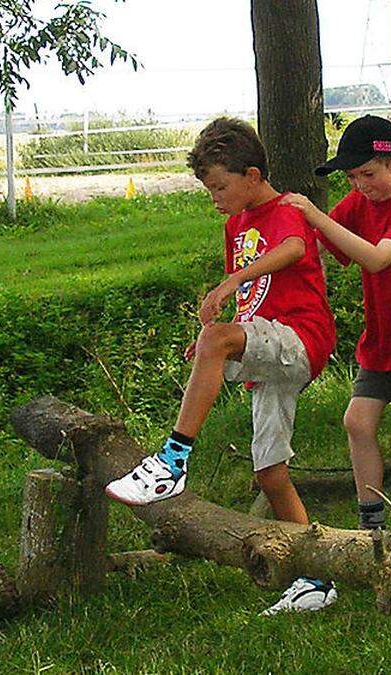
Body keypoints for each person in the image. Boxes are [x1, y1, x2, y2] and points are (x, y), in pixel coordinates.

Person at [104, 117, 338, 613]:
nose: (214, 196)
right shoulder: (235, 225)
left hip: (301, 338)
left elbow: (295, 249)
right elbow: (253, 301)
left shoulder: (283, 208)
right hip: (267, 346)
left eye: (220, 186)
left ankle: (172, 460)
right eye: (208, 188)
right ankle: (316, 580)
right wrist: (219, 341)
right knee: (270, 470)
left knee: (218, 339)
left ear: (252, 175)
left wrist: (228, 290)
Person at [280, 115, 391, 530]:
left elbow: (378, 258)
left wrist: (314, 214)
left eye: (368, 173)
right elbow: (321, 242)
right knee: (357, 422)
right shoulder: (361, 201)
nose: (361, 185)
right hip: (383, 337)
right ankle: (371, 522)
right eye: (352, 177)